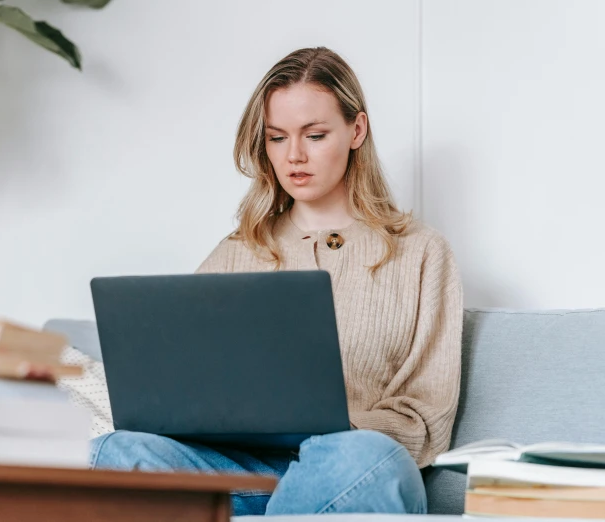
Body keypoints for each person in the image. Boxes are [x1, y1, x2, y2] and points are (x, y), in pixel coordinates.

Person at [89, 46, 463, 517]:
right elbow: (181, 387)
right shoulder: (235, 252)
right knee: (114, 452)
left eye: (315, 134)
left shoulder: (421, 252)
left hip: (345, 471)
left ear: (356, 130)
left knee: (370, 458)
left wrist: (335, 427)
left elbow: (426, 416)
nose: (295, 156)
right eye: (277, 138)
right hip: (240, 472)